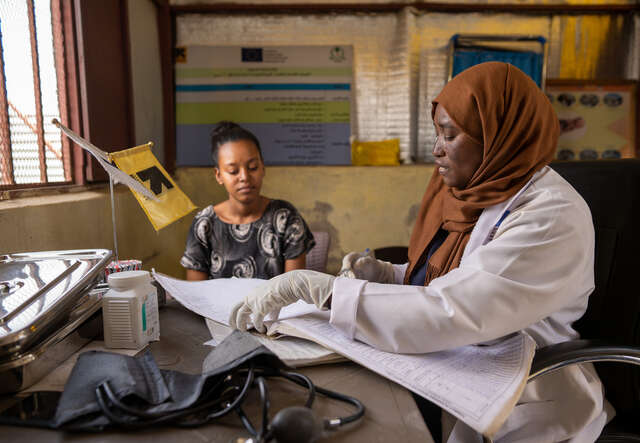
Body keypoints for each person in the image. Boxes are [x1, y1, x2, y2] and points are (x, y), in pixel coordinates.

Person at [228, 62, 613, 442]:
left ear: (497, 136)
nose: (436, 150)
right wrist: (388, 274)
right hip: (456, 361)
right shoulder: (479, 195)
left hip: (519, 390)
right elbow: (454, 277)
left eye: (449, 135)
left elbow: (455, 309)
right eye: (436, 134)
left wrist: (325, 291)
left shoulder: (550, 215)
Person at [181, 121, 315, 280]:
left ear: (263, 168)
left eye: (252, 167)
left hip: (279, 306)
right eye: (233, 171)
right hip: (219, 306)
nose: (244, 177)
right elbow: (196, 297)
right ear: (219, 176)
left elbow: (294, 290)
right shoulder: (204, 225)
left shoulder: (285, 218)